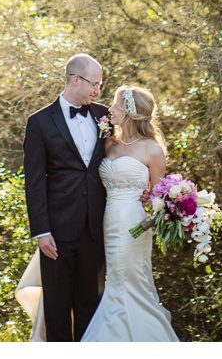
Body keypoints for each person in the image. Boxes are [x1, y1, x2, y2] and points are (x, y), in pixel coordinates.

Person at [18, 53, 109, 341]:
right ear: (75, 79)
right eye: (94, 84)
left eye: (100, 85)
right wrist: (41, 231)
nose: (97, 91)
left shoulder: (104, 115)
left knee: (90, 305)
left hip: (95, 228)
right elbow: (34, 182)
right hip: (56, 232)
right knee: (57, 308)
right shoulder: (40, 122)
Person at [78, 84, 178, 342]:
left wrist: (149, 202)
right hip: (107, 219)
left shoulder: (152, 150)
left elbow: (160, 198)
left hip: (134, 223)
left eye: (115, 105)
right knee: (115, 278)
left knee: (127, 279)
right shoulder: (109, 142)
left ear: (129, 112)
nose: (110, 109)